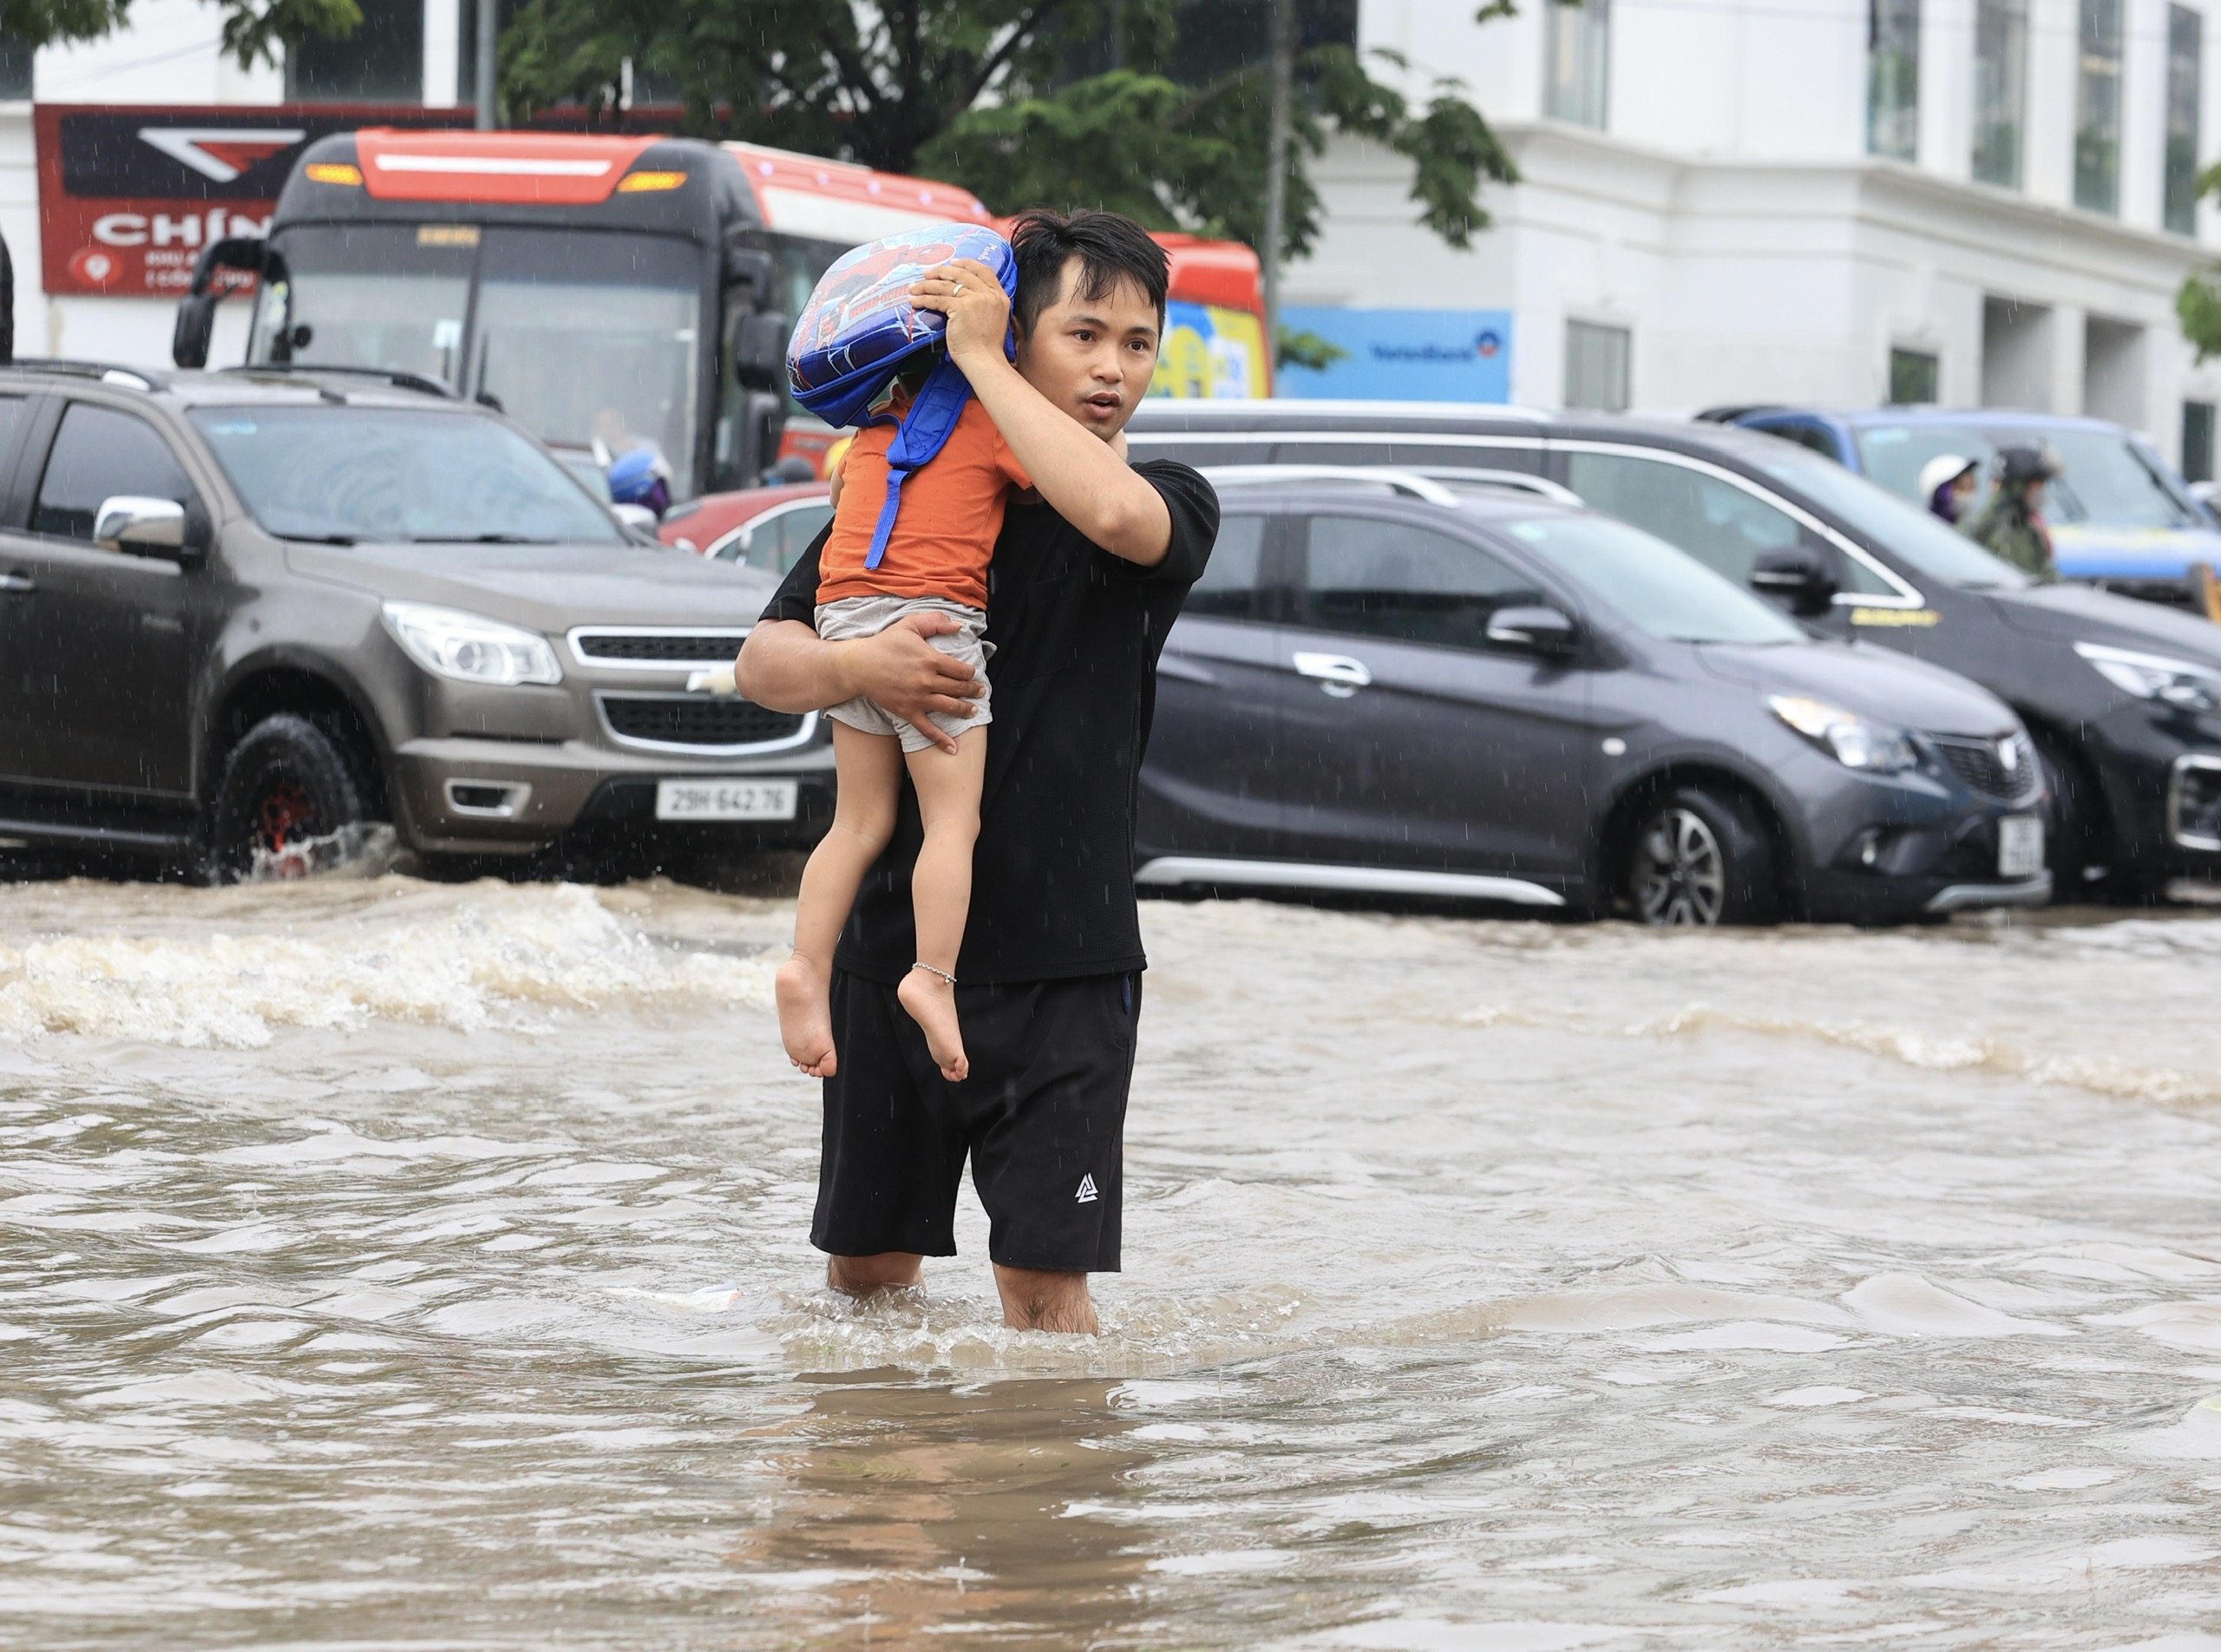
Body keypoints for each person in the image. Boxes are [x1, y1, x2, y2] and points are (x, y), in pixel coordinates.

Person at [736, 208, 1217, 1335]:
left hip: (1067, 973)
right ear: (1018, 329)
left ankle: (1038, 1506)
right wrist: (864, 665)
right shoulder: (914, 488)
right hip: (889, 958)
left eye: (1137, 343)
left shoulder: (1168, 502)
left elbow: (1108, 507)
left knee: (1044, 1298)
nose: (1112, 368)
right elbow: (762, 662)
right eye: (1083, 333)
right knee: (865, 1286)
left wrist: (973, 361)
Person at [773, 234, 1035, 1088]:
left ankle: (806, 965)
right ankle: (932, 974)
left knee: (856, 822)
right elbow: (1071, 479)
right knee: (951, 821)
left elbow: (847, 513)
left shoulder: (872, 433)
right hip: (932, 627)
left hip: (845, 624)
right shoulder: (995, 422)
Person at [1962, 443, 2061, 580]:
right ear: (2019, 486)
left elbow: (2047, 577)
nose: (2041, 492)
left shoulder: (2029, 532)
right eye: (2038, 485)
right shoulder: (1985, 529)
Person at [1918, 452, 1979, 525]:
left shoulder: (1967, 525)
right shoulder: (1928, 524)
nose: (1966, 496)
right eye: (1961, 488)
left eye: (1970, 489)